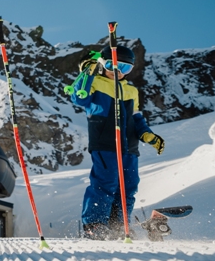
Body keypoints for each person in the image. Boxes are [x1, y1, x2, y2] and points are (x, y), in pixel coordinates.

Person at [67, 45, 165, 239]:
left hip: (130, 147)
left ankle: (120, 226)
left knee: (128, 186)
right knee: (106, 182)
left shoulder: (131, 90)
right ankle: (95, 225)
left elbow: (137, 118)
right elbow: (79, 97)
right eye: (113, 66)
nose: (118, 72)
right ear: (103, 64)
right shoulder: (95, 82)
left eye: (125, 68)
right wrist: (88, 72)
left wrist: (148, 135)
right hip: (105, 143)